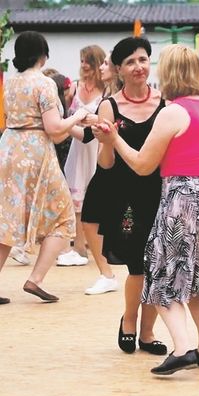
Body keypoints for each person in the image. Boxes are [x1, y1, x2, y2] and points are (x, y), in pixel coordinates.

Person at [94, 44, 199, 375]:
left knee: (160, 277)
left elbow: (143, 164)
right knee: (198, 281)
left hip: (184, 199)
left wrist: (114, 139)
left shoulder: (171, 112)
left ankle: (183, 348)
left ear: (169, 72)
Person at [0, 31, 88, 305]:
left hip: (8, 148)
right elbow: (55, 129)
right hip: (36, 152)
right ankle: (35, 279)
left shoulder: (11, 83)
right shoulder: (45, 84)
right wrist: (79, 115)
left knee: (6, 218)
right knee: (63, 216)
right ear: (43, 53)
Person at [91, 37, 166, 354]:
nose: (139, 66)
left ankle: (148, 334)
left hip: (161, 193)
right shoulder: (109, 106)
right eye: (131, 62)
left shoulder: (166, 101)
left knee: (157, 265)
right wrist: (107, 141)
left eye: (144, 59)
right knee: (138, 266)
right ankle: (129, 322)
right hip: (126, 197)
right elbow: (105, 164)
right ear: (119, 70)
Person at [57, 45, 106, 267]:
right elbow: (63, 114)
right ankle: (78, 247)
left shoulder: (107, 90)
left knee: (98, 197)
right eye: (82, 60)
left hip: (97, 147)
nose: (83, 65)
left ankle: (101, 246)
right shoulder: (74, 89)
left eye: (87, 60)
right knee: (76, 199)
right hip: (78, 147)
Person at [78, 54, 122, 295]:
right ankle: (107, 273)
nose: (101, 67)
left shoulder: (118, 99)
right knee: (90, 216)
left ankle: (112, 272)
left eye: (106, 63)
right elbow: (87, 136)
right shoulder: (107, 97)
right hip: (105, 163)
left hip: (120, 164)